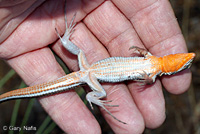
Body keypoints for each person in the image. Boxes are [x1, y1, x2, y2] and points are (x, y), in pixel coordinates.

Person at [0, 0, 192, 133]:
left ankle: (67, 45)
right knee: (100, 90)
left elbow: (146, 67)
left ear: (170, 64)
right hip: (89, 73)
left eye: (183, 62)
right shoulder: (153, 69)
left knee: (83, 60)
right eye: (183, 62)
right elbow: (148, 75)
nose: (185, 59)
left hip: (91, 71)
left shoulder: (152, 64)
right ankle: (92, 93)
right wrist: (143, 60)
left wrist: (143, 55)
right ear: (170, 65)